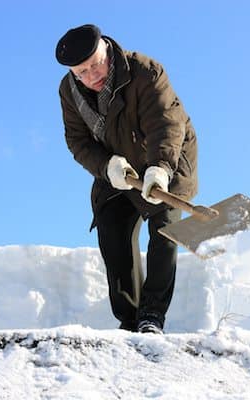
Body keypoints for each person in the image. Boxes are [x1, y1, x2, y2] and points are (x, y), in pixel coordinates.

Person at [55, 24, 198, 334]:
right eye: (81, 72)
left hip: (167, 155)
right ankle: (130, 319)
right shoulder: (69, 91)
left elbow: (166, 124)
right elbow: (77, 141)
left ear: (105, 49)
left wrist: (160, 168)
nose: (91, 76)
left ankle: (152, 316)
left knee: (164, 230)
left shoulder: (144, 71)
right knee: (111, 229)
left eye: (95, 65)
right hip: (117, 167)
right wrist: (106, 166)